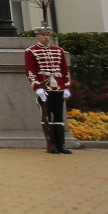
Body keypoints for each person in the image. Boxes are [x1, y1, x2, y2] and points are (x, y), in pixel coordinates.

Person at [25, 26, 72, 154]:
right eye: (43, 35)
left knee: (59, 116)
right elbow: (30, 71)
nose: (46, 37)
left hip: (58, 86)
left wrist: (67, 87)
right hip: (44, 87)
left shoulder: (58, 51)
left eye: (47, 35)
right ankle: (51, 144)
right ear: (37, 36)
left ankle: (61, 144)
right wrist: (37, 87)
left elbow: (65, 70)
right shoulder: (31, 51)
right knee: (46, 116)